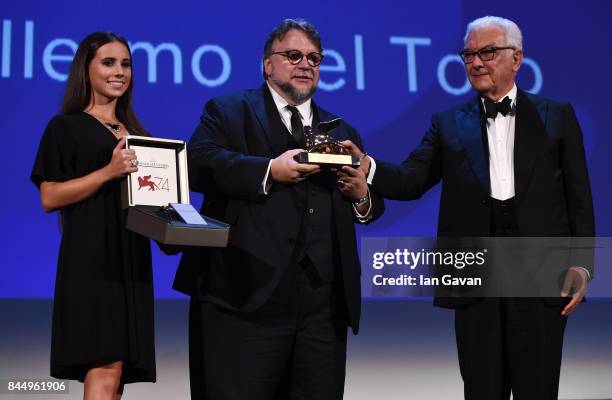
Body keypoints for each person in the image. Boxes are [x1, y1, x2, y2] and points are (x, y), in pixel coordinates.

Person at [343, 16, 594, 400]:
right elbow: (412, 179)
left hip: (542, 276)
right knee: (481, 390)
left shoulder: (557, 115)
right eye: (469, 54)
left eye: (488, 52)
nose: (476, 62)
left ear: (517, 58)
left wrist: (583, 263)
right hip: (474, 276)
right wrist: (368, 166)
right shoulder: (447, 123)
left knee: (539, 389)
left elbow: (579, 197)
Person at [173, 18, 384, 400]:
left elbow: (368, 207)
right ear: (268, 64)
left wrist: (361, 196)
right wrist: (270, 170)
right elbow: (197, 163)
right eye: (293, 55)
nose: (306, 64)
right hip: (244, 297)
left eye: (314, 58)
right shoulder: (227, 110)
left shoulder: (341, 131)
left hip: (322, 307)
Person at [31, 32, 155, 399]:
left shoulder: (137, 134)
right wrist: (106, 172)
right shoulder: (65, 127)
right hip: (92, 258)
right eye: (109, 62)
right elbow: (49, 196)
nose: (120, 72)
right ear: (86, 69)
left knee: (117, 377)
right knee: (104, 366)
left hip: (131, 257)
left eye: (126, 64)